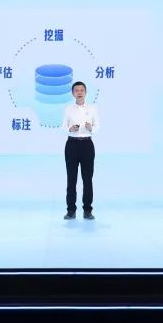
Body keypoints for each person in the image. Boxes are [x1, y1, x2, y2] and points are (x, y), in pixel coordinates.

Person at [63, 81, 98, 220]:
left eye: (82, 90)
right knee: (71, 179)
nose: (79, 92)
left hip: (87, 145)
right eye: (76, 90)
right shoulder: (68, 109)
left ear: (85, 92)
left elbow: (98, 126)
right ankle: (71, 210)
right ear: (73, 93)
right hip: (72, 144)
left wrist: (91, 128)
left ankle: (87, 210)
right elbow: (63, 126)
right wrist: (70, 129)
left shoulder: (92, 108)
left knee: (87, 179)